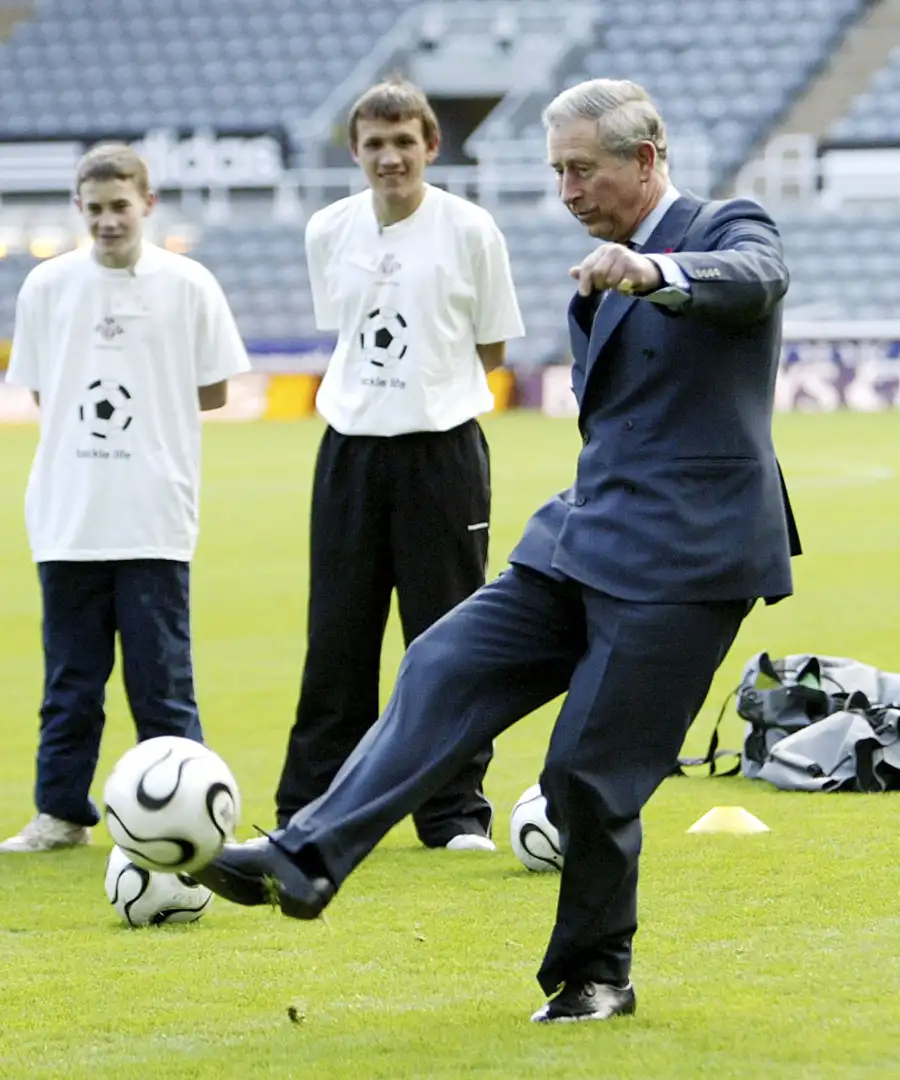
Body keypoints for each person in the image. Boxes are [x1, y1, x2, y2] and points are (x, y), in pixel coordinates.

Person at [194, 78, 801, 1023]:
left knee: (587, 772)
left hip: (690, 556)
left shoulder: (724, 226)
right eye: (556, 171)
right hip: (587, 533)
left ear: (645, 159)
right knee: (442, 660)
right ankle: (306, 857)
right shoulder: (595, 270)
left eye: (581, 170)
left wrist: (656, 273)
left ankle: (597, 974)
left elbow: (759, 278)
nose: (565, 192)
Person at [273, 75, 525, 851]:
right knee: (338, 636)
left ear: (430, 146)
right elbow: (343, 331)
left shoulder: (471, 229)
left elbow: (492, 346)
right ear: (355, 151)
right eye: (375, 145)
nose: (390, 158)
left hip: (442, 449)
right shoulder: (328, 230)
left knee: (446, 638)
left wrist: (429, 394)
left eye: (403, 143)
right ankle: (310, 809)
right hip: (350, 449)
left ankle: (451, 813)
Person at [0, 143, 250, 854]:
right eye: (96, 208)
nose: (109, 220)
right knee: (70, 683)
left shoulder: (188, 283)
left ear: (148, 203)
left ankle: (188, 815)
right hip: (68, 517)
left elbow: (215, 389)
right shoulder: (47, 288)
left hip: (154, 514)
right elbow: (47, 392)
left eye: (121, 206)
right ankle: (60, 813)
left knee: (163, 683)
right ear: (78, 209)